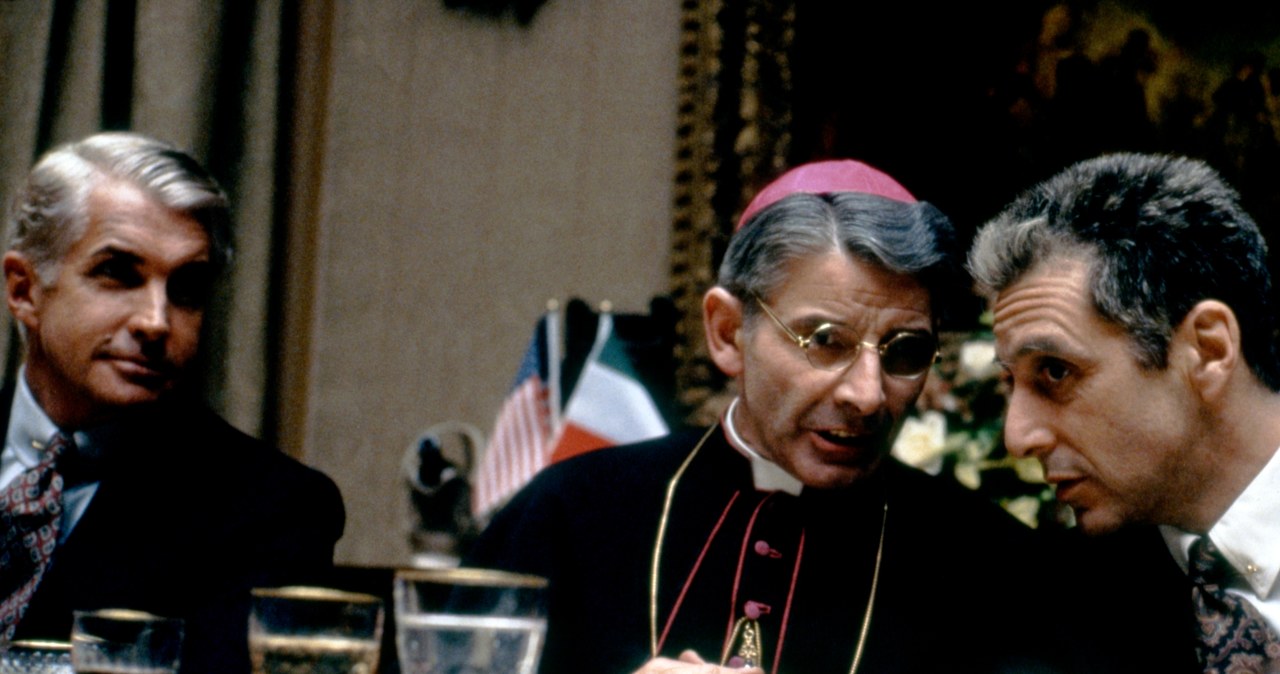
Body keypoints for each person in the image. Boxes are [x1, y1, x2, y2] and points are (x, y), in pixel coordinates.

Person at [468, 160, 1070, 673]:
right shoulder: (568, 516)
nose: (867, 394)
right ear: (728, 333)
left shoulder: (993, 568)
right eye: (825, 340)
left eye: (905, 352)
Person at [0, 132, 344, 673]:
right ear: (24, 290)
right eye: (118, 274)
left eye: (186, 289)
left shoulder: (272, 511)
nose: (157, 322)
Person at [968, 152, 1280, 674]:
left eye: (1056, 372)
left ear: (1207, 349)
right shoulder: (1045, 613)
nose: (1017, 437)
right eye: (1008, 382)